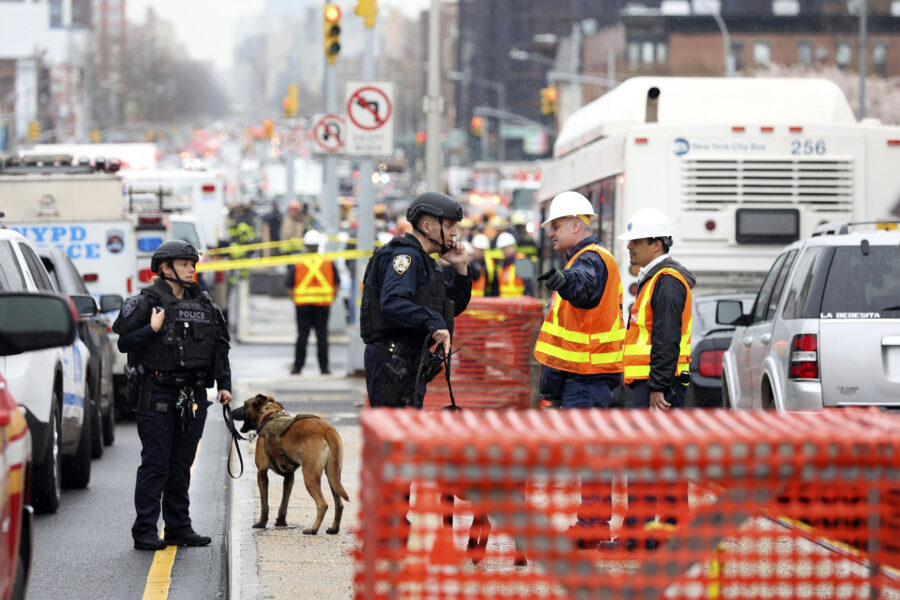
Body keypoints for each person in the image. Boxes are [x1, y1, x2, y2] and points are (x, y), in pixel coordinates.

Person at [113, 240, 232, 551]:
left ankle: (179, 528)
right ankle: (145, 531)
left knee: (181, 464)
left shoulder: (206, 306)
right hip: (156, 392)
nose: (192, 269)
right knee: (156, 464)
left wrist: (224, 385)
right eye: (184, 264)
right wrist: (150, 329)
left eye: (193, 264)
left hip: (193, 394)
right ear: (165, 268)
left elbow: (219, 348)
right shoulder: (147, 302)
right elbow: (124, 342)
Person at [533, 191, 625, 548]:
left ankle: (592, 526)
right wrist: (550, 391)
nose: (551, 233)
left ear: (576, 224)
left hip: (588, 379)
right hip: (581, 377)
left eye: (556, 226)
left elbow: (584, 291)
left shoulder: (590, 261)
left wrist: (563, 282)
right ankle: (592, 523)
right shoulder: (584, 260)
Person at [617, 207, 695, 549]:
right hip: (654, 383)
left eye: (636, 241)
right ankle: (662, 534)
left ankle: (642, 536)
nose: (630, 247)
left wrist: (657, 388)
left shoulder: (666, 281)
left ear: (656, 243)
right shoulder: (656, 279)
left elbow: (666, 338)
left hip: (658, 385)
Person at [360, 191, 471, 409]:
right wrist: (433, 322)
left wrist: (461, 268)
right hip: (392, 362)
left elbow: (451, 306)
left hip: (407, 362)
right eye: (449, 225)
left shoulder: (425, 261)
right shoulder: (406, 256)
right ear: (428, 226)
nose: (454, 233)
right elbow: (393, 301)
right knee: (395, 436)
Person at [285, 229, 340, 375]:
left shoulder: (298, 263)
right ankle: (324, 369)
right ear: (318, 245)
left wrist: (296, 300)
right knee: (322, 338)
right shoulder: (327, 262)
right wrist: (330, 298)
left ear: (306, 245)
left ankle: (297, 368)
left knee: (302, 337)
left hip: (303, 306)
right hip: (323, 305)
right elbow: (336, 283)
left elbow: (289, 285)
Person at [495, 231, 533, 297]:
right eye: (502, 249)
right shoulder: (503, 263)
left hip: (518, 303)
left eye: (505, 248)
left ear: (512, 246)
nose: (503, 251)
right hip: (504, 303)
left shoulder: (522, 260)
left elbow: (529, 287)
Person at [469, 233, 496, 297]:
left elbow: (493, 281)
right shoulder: (468, 261)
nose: (480, 252)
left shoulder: (489, 262)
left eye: (482, 250)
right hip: (469, 298)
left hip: (484, 296)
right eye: (479, 249)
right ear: (474, 248)